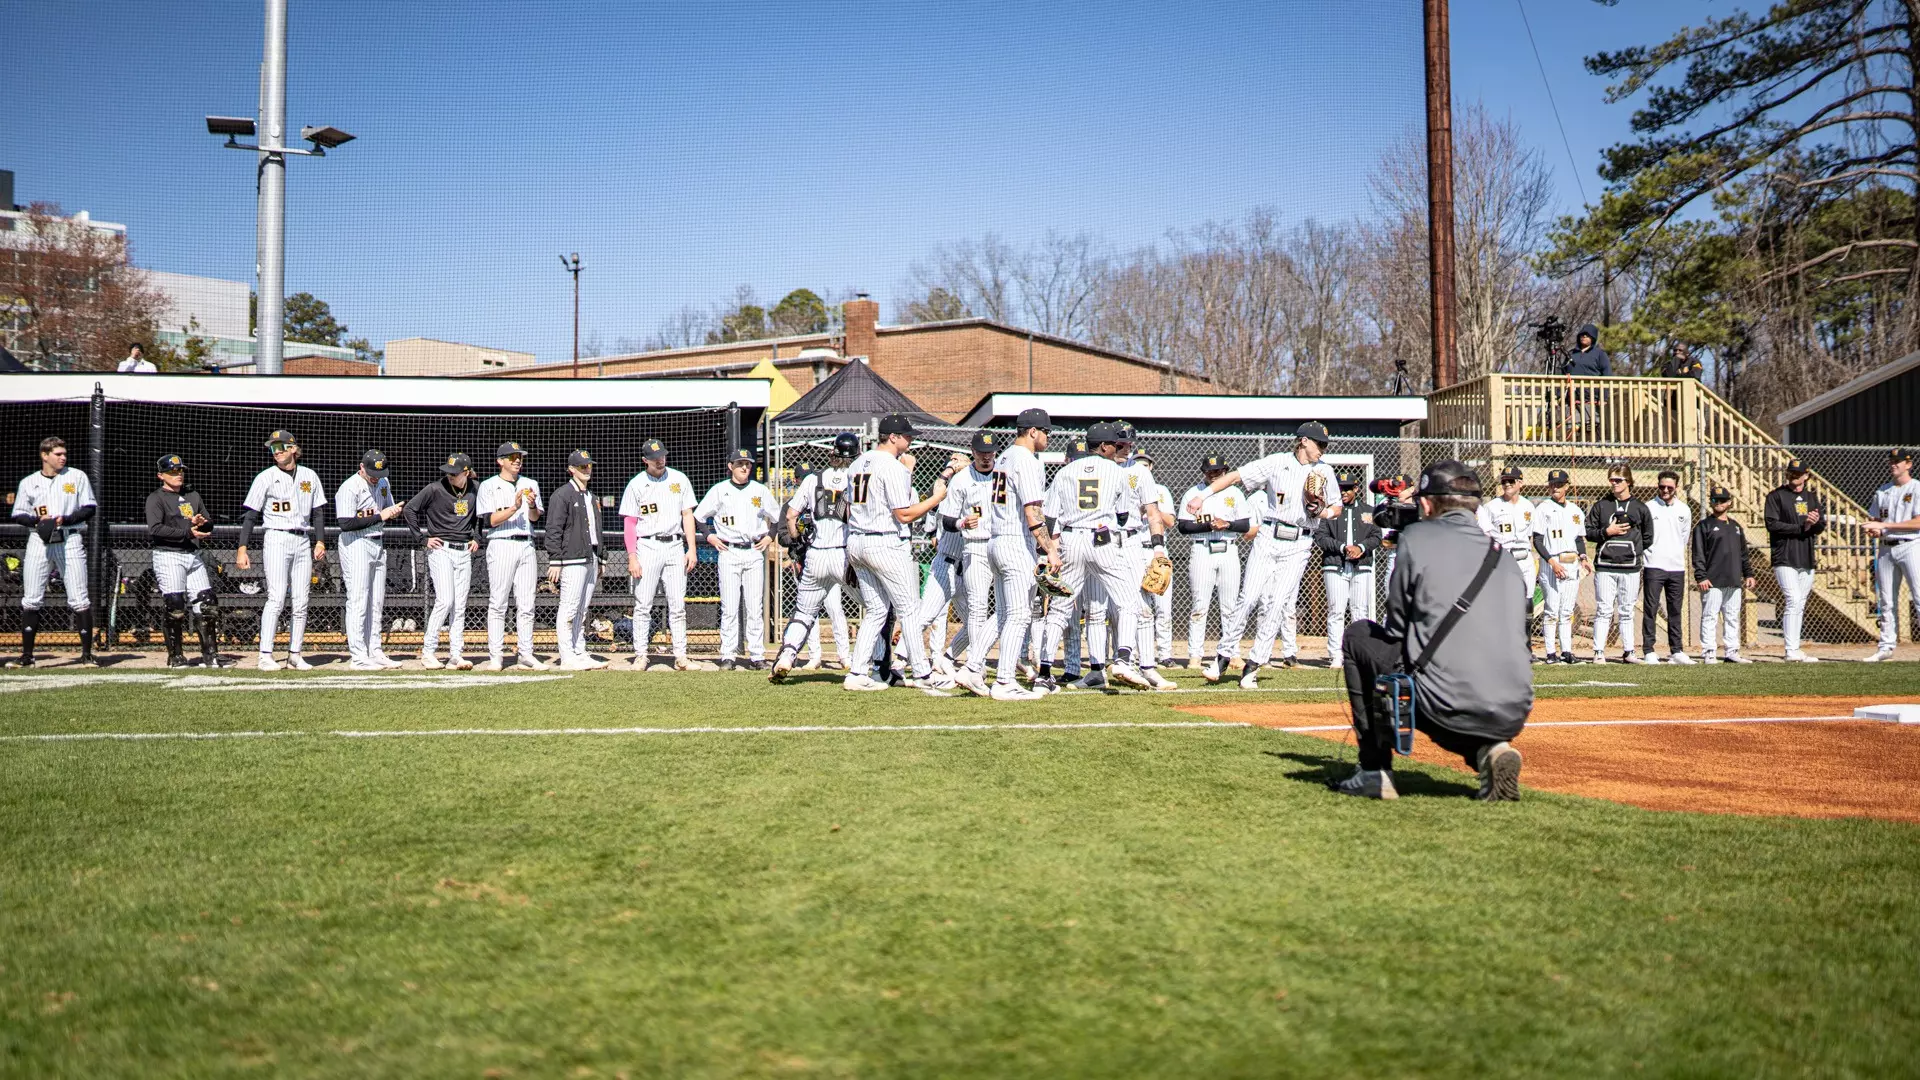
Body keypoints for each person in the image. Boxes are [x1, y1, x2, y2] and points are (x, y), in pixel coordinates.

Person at [1334, 460, 1531, 801]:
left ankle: (1374, 770)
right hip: (1514, 706)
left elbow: (1396, 628)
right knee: (1460, 685)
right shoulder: (1505, 556)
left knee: (1358, 635)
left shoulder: (1416, 537)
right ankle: (1490, 751)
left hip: (1442, 701)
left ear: (1425, 504)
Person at [1188, 420, 1339, 690]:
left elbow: (1336, 507)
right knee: (1248, 598)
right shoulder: (1277, 462)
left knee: (1277, 604)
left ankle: (1253, 666)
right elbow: (1235, 477)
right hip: (1269, 536)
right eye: (1320, 444)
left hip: (1300, 542)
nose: (1323, 449)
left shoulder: (1324, 471)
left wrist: (1322, 512)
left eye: (1325, 445)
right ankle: (1222, 657)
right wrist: (1204, 496)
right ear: (1304, 441)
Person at [1034, 421, 1158, 693]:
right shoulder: (1117, 471)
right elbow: (1124, 515)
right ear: (1103, 446)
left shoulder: (1065, 471)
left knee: (1059, 609)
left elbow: (1050, 516)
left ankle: (1044, 673)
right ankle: (1123, 659)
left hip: (1071, 539)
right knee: (1128, 602)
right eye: (1114, 444)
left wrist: (1049, 550)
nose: (1117, 449)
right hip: (1102, 539)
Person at [841, 415, 953, 693]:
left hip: (856, 540)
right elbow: (903, 515)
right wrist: (936, 498)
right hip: (883, 541)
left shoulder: (857, 463)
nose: (910, 439)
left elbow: (846, 507)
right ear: (892, 437)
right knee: (910, 609)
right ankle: (924, 674)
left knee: (877, 609)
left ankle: (856, 673)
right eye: (906, 435)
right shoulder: (892, 467)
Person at [959, 408, 1058, 700]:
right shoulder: (1027, 460)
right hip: (1015, 542)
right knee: (1019, 615)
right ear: (1032, 432)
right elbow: (1033, 511)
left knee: (1003, 614)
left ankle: (972, 666)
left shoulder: (1002, 458)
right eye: (1046, 431)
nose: (1048, 437)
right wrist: (1050, 549)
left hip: (995, 540)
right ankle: (1004, 682)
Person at [236, 429, 326, 671]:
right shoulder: (265, 477)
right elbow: (250, 515)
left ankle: (295, 654)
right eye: (273, 448)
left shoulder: (309, 475)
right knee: (276, 597)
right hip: (276, 537)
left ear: (293, 449)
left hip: (302, 539)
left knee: (301, 601)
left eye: (281, 448)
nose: (276, 452)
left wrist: (320, 541)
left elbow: (318, 512)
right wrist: (242, 547)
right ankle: (265, 654)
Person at [771, 435, 859, 679]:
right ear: (854, 457)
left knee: (803, 612)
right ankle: (861, 663)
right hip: (843, 554)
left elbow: (790, 515)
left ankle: (787, 656)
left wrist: (798, 539)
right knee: (875, 608)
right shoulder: (855, 479)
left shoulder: (812, 479)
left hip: (816, 554)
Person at [8, 437, 98, 668]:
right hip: (39, 540)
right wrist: (37, 521)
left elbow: (89, 507)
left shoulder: (76, 476)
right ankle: (27, 656)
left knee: (79, 598)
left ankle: (87, 655)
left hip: (69, 538)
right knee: (31, 599)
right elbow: (18, 513)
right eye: (57, 454)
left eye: (64, 453)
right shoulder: (29, 482)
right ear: (44, 455)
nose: (63, 457)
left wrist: (65, 519)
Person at [916, 431, 996, 677]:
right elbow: (945, 515)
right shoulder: (959, 481)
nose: (985, 456)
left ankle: (949, 659)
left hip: (975, 559)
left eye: (989, 451)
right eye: (980, 452)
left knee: (978, 617)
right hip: (950, 560)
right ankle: (898, 661)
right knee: (927, 616)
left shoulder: (1002, 475)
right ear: (973, 452)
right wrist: (950, 470)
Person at [618, 438, 700, 671]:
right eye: (655, 457)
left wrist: (691, 548)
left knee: (677, 604)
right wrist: (632, 556)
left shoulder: (679, 479)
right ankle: (641, 655)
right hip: (648, 545)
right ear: (645, 460)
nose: (660, 460)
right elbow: (630, 523)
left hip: (674, 545)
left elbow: (687, 515)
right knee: (643, 603)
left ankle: (681, 656)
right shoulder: (636, 484)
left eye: (662, 455)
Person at [694, 449, 780, 671]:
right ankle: (728, 655)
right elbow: (699, 516)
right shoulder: (720, 490)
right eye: (740, 463)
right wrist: (710, 536)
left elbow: (777, 517)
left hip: (752, 550)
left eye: (748, 464)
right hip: (729, 550)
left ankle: (756, 655)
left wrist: (770, 536)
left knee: (754, 606)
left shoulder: (759, 491)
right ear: (730, 465)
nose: (745, 468)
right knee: (730, 606)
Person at [145, 453, 225, 668]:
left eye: (180, 470)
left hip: (193, 555)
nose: (178, 474)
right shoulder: (156, 498)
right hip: (169, 555)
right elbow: (155, 529)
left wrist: (202, 523)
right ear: (160, 475)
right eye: (172, 471)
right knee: (175, 606)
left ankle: (211, 656)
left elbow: (208, 524)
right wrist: (188, 532)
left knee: (207, 604)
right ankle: (176, 656)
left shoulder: (192, 495)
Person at [1113, 427, 1176, 690]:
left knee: (1143, 605)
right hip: (1098, 542)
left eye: (1130, 443)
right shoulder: (1096, 468)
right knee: (1095, 612)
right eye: (1121, 444)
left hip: (1133, 542)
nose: (1127, 448)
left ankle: (1147, 666)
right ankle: (1091, 668)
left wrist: (1158, 548)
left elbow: (1153, 512)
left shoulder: (1139, 471)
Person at [405, 452, 480, 670]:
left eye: (455, 474)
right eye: (448, 473)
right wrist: (422, 538)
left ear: (466, 472)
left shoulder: (475, 488)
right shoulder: (434, 488)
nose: (450, 477)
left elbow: (480, 516)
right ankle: (428, 651)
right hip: (441, 549)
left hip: (464, 551)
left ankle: (456, 654)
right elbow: (410, 509)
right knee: (445, 600)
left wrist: (477, 537)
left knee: (460, 605)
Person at [334, 450, 406, 670]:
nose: (376, 476)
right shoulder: (350, 486)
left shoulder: (383, 481)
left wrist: (392, 512)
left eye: (380, 471)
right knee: (358, 600)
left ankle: (374, 650)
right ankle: (358, 656)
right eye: (372, 471)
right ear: (362, 467)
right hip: (356, 543)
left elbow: (385, 508)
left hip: (378, 541)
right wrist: (380, 516)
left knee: (376, 601)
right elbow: (345, 522)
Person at [477, 441, 545, 671]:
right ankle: (496, 656)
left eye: (520, 457)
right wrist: (514, 507)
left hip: (526, 542)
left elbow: (535, 518)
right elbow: (489, 521)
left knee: (527, 603)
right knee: (498, 602)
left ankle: (526, 653)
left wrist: (532, 505)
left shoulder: (530, 483)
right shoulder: (488, 485)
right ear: (501, 461)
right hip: (501, 542)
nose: (517, 461)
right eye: (512, 457)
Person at [1178, 453, 1249, 669]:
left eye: (1217, 471)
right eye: (1209, 471)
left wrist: (1226, 524)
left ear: (1225, 471)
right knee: (1200, 605)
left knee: (1229, 606)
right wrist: (1209, 526)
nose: (1212, 475)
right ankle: (1195, 655)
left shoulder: (1235, 493)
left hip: (1228, 549)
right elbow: (1183, 526)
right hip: (1202, 549)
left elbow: (1245, 525)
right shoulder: (1194, 493)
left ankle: (1232, 653)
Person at [1585, 463, 1652, 663]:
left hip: (1630, 567)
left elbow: (1648, 537)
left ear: (1628, 481)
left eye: (1618, 480)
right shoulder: (1601, 505)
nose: (1613, 484)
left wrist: (1632, 550)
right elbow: (1588, 533)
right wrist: (1607, 532)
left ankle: (1629, 651)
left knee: (1626, 610)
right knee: (1604, 609)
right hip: (1605, 566)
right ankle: (1598, 651)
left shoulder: (1640, 507)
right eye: (1611, 480)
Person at [1315, 471, 1382, 668]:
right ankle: (1336, 654)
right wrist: (1343, 547)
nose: (1343, 492)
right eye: (1340, 488)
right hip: (1335, 564)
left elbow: (1376, 535)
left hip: (1361, 566)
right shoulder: (1330, 511)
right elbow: (1321, 537)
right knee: (1336, 609)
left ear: (1356, 489)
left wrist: (1361, 548)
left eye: (1346, 488)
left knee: (1359, 609)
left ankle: (1359, 653)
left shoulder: (1368, 511)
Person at [545, 449, 604, 670]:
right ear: (571, 469)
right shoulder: (562, 495)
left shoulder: (591, 496)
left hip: (590, 558)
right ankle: (567, 655)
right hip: (571, 559)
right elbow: (554, 529)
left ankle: (579, 650)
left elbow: (597, 529)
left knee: (582, 608)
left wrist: (602, 558)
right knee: (568, 608)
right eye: (582, 466)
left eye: (589, 465)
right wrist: (555, 559)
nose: (587, 469)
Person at [1764, 459, 1826, 662]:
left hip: (1806, 556)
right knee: (1793, 599)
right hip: (1784, 556)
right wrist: (1802, 527)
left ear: (1806, 476)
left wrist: (1813, 524)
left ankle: (1795, 648)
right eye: (1791, 473)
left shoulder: (1811, 497)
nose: (1794, 477)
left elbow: (1820, 524)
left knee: (1800, 603)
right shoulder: (1776, 496)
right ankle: (1790, 650)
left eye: (1798, 474)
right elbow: (1772, 524)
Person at [1863, 448, 1920, 662]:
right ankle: (1886, 646)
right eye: (1892, 461)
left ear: (1908, 464)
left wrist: (1885, 525)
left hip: (1911, 545)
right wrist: (1874, 528)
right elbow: (1875, 517)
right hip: (1886, 547)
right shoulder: (1883, 491)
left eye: (1898, 461)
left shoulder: (1916, 488)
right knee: (1886, 600)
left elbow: (1918, 522)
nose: (1894, 464)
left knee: (1919, 596)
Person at [1531, 469, 1589, 664]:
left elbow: (1578, 539)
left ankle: (1566, 651)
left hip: (1571, 561)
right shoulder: (1543, 509)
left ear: (1567, 486)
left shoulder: (1575, 510)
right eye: (1552, 484)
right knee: (1551, 609)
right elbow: (1537, 541)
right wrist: (1551, 562)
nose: (1555, 487)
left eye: (1559, 484)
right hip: (1552, 561)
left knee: (1567, 610)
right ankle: (1550, 653)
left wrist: (1583, 557)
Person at [1691, 486, 1754, 664]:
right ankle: (1709, 651)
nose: (1718, 503)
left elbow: (1743, 554)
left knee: (1732, 616)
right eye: (1714, 500)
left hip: (1733, 580)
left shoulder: (1735, 527)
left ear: (1729, 502)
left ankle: (1732, 651)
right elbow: (1698, 553)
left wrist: (1748, 574)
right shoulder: (1704, 526)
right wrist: (1701, 576)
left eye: (1722, 500)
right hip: (1712, 580)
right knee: (1710, 616)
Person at [1641, 470, 1695, 664]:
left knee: (1675, 609)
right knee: (1651, 608)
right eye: (1662, 486)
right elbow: (1644, 536)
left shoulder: (1684, 509)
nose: (1665, 490)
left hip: (1676, 567)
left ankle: (1676, 650)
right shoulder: (1648, 507)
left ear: (1676, 488)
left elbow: (1684, 536)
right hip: (1653, 565)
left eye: (1669, 487)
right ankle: (1648, 649)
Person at [1131, 448, 1177, 667]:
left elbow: (1170, 522)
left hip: (1156, 549)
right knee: (1137, 605)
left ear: (1152, 467)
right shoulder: (1128, 486)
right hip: (1135, 548)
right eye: (1138, 463)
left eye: (1146, 464)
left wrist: (1151, 508)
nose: (1143, 467)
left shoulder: (1161, 490)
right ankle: (1134, 654)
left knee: (1162, 606)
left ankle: (1165, 654)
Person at [1477, 466, 1538, 629]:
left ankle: (1526, 645)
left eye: (1511, 481)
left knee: (1527, 599)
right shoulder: (1492, 506)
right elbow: (1485, 534)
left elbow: (1532, 536)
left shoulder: (1528, 506)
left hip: (1524, 558)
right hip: (1503, 558)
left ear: (1520, 483)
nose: (1507, 484)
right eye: (1504, 481)